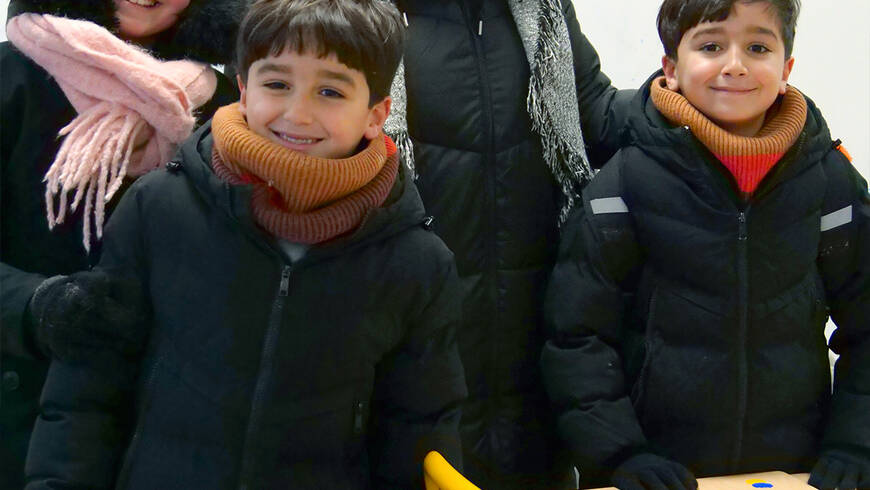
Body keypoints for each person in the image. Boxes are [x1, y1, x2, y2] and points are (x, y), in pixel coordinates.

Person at [23, 0, 468, 487]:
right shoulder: (159, 208)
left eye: (330, 91)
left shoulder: (415, 263)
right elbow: (88, 388)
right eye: (276, 84)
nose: (297, 114)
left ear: (376, 114)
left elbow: (419, 424)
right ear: (243, 88)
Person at [541, 0, 870, 488]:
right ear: (671, 69)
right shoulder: (623, 186)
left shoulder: (830, 182)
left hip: (792, 471)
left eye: (758, 47)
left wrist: (855, 445)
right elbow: (577, 336)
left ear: (786, 70)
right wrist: (620, 456)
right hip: (661, 472)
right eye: (711, 46)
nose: (735, 65)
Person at [383, 1, 631, 486]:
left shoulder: (542, 9)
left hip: (534, 338)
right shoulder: (361, 14)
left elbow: (596, 113)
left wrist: (686, 96)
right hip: (418, 337)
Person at [0, 0, 242, 486]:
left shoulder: (227, 111)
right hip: (20, 409)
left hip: (162, 430)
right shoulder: (13, 77)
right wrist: (37, 305)